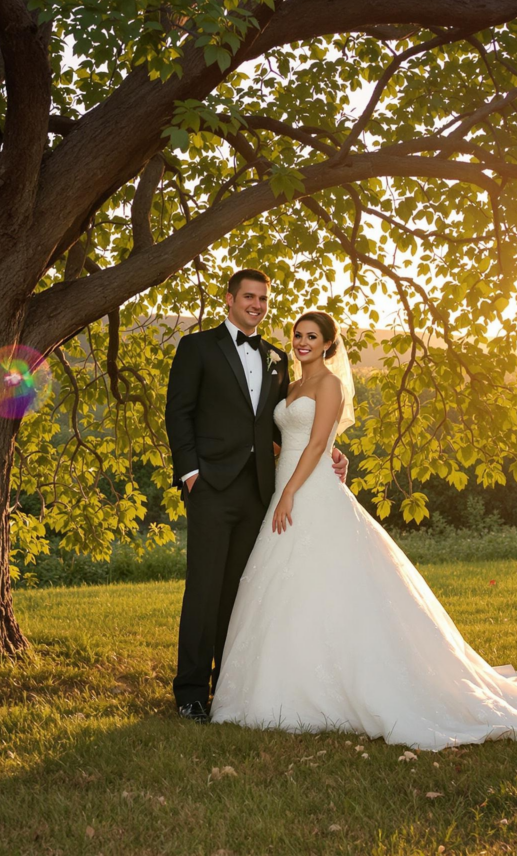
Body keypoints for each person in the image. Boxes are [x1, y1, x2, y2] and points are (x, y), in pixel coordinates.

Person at [209, 310, 517, 749]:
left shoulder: (330, 385)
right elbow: (287, 438)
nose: (301, 343)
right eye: (298, 335)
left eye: (311, 337)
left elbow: (320, 443)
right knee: (280, 582)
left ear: (327, 345)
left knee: (326, 582)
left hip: (308, 490)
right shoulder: (292, 385)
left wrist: (289, 493)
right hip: (290, 482)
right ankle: (276, 690)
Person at [164, 271, 348, 721]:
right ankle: (190, 692)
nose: (257, 304)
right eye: (249, 296)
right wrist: (191, 474)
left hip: (259, 493)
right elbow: (178, 412)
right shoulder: (198, 347)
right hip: (210, 487)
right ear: (230, 299)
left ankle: (227, 683)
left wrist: (332, 451)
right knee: (204, 589)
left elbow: (279, 422)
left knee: (240, 592)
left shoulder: (277, 358)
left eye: (263, 298)